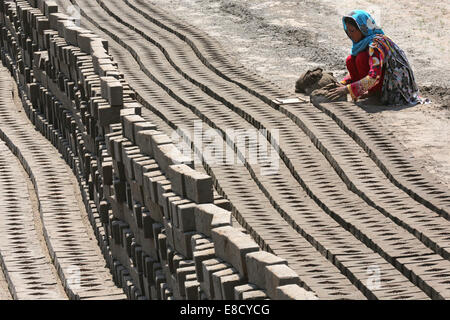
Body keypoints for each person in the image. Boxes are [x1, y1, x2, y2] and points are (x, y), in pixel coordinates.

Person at [326, 10, 421, 106]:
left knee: (361, 58)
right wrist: (343, 83)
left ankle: (375, 95)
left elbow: (374, 77)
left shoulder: (375, 45)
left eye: (352, 31)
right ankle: (370, 92)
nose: (350, 35)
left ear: (363, 29)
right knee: (351, 60)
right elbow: (354, 71)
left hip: (395, 88)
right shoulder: (363, 43)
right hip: (380, 80)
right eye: (347, 31)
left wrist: (347, 90)